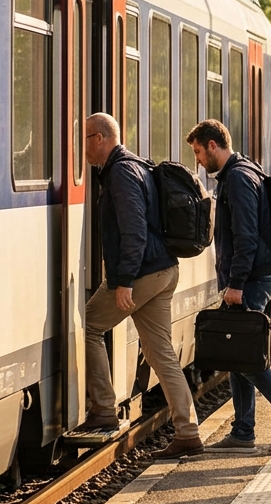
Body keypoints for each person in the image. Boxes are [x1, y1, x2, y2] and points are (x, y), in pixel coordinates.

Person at [73, 113, 203, 458]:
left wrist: (125, 281)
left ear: (99, 138)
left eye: (84, 138)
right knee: (162, 355)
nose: (81, 146)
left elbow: (133, 230)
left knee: (88, 326)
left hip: (143, 273)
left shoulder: (120, 173)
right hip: (162, 270)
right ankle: (188, 433)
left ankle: (103, 411)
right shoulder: (134, 165)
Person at [186, 120, 271, 453]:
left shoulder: (239, 178)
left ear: (213, 145)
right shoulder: (239, 172)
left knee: (246, 351)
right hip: (252, 273)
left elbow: (246, 236)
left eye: (198, 152)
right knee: (237, 351)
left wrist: (237, 282)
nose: (198, 160)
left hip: (253, 274)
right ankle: (243, 432)